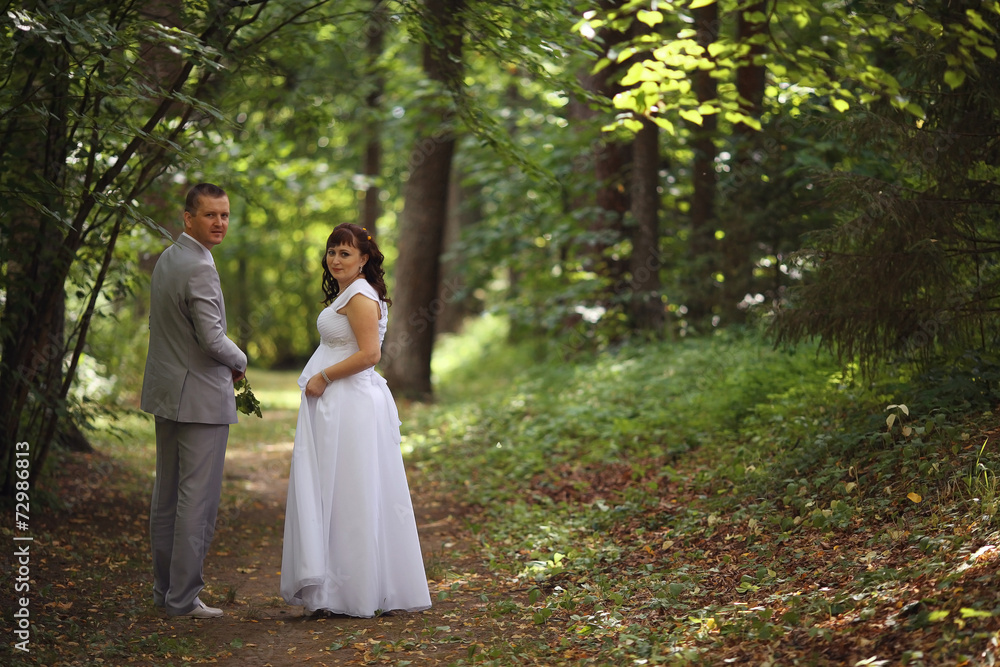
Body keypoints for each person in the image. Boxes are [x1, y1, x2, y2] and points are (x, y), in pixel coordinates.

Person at [280, 223, 431, 618]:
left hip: (349, 404)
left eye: (345, 253)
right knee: (335, 491)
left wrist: (324, 377)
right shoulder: (350, 293)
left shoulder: (362, 296)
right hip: (337, 404)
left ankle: (353, 591)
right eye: (332, 251)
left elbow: (370, 354)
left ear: (364, 258)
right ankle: (332, 589)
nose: (335, 259)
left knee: (349, 492)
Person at [141, 183, 248, 619]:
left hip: (168, 393)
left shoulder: (170, 257)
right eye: (210, 215)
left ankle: (164, 591)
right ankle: (183, 600)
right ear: (188, 218)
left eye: (224, 215)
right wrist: (240, 359)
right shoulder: (200, 266)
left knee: (167, 494)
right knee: (195, 500)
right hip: (199, 398)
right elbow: (211, 339)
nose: (219, 222)